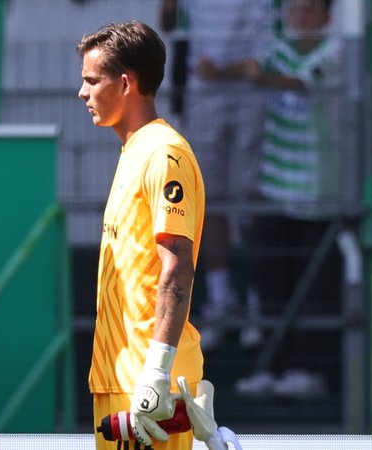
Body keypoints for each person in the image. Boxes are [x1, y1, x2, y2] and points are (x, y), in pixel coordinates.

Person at [201, 0, 341, 398]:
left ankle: (310, 371)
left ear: (327, 18)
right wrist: (218, 72)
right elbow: (253, 67)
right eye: (295, 11)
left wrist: (255, 78)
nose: (300, 19)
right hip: (276, 191)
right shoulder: (276, 50)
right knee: (272, 284)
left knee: (312, 289)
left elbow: (301, 81)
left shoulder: (335, 52)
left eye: (310, 11)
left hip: (318, 195)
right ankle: (270, 367)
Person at [77, 20, 205, 450]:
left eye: (92, 80)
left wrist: (157, 368)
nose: (83, 93)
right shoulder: (134, 151)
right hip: (122, 380)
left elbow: (177, 266)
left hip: (149, 388)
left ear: (127, 83)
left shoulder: (163, 153)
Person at [160, 0, 274, 351]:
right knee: (210, 200)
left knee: (252, 200)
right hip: (205, 94)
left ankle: (259, 303)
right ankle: (221, 302)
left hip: (253, 92)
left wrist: (236, 70)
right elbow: (167, 20)